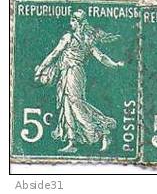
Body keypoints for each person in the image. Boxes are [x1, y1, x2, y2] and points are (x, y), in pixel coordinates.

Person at [34, 10, 125, 153]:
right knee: (67, 105)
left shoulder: (68, 37)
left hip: (72, 72)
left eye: (72, 20)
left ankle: (102, 130)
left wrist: (41, 69)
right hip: (71, 73)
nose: (71, 23)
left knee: (75, 104)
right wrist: (115, 64)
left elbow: (54, 54)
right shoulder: (88, 39)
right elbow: (101, 57)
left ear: (76, 22)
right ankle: (71, 142)